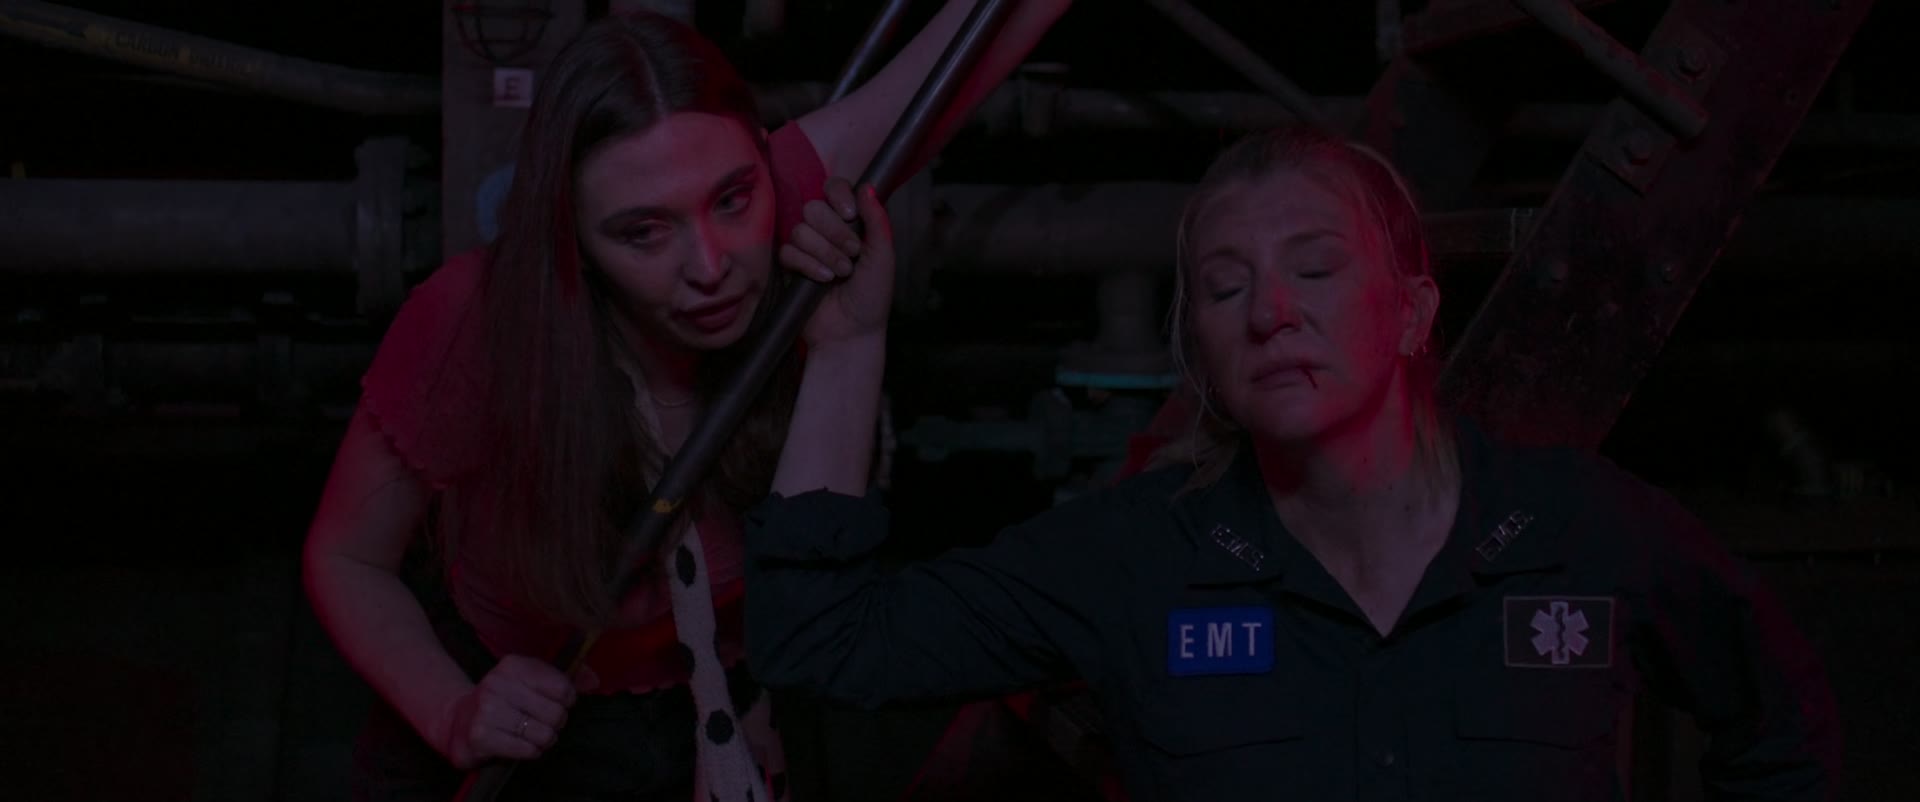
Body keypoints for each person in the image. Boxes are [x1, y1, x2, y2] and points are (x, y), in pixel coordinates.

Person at [745, 123, 1843, 801]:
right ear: (1202, 354)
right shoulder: (1135, 560)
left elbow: (1783, 726)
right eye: (1227, 288)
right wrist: (845, 349)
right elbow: (822, 642)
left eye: (1315, 269)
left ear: (1412, 311)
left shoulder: (1583, 531)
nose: (1271, 312)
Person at [300, 4, 1071, 801]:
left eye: (732, 200)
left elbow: (965, 53)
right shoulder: (477, 320)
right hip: (509, 697)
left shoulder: (781, 194)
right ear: (573, 239)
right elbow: (348, 558)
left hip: (723, 695)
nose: (709, 266)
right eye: (643, 233)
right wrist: (453, 711)